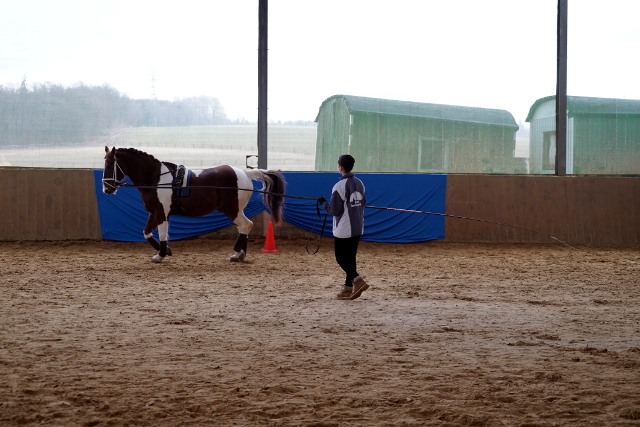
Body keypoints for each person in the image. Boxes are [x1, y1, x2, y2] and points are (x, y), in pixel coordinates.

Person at [318, 154, 369, 300]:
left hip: (344, 228)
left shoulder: (339, 186)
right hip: (357, 226)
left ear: (340, 167)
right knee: (350, 257)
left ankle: (358, 280)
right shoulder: (360, 183)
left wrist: (323, 203)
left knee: (341, 258)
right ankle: (348, 288)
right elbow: (363, 203)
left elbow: (334, 211)